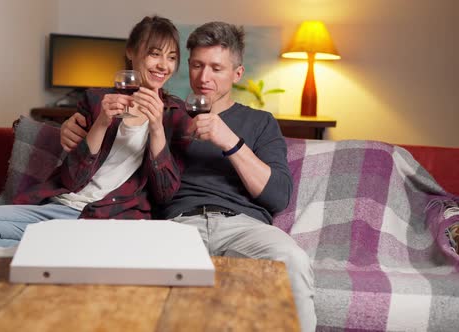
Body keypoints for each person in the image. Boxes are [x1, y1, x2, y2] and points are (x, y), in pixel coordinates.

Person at [60, 22, 316, 331]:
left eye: (216, 68)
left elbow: (277, 196)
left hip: (243, 226)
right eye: (197, 65)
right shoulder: (168, 115)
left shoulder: (260, 122)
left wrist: (230, 142)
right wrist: (75, 125)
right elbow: (116, 146)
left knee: (293, 259)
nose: (204, 77)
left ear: (237, 74)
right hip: (177, 225)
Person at [0, 15, 190, 254]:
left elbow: (165, 193)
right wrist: (101, 122)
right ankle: (61, 252)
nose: (163, 66)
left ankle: (48, 252)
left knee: (116, 247)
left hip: (112, 218)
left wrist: (157, 127)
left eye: (171, 58)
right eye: (155, 54)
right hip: (62, 208)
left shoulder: (175, 114)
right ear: (130, 51)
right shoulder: (96, 100)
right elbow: (72, 179)